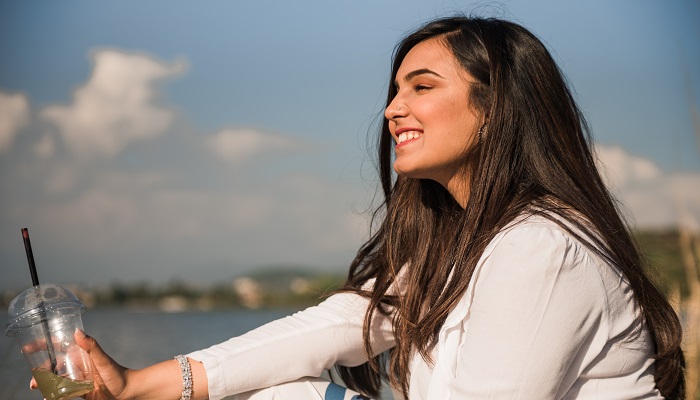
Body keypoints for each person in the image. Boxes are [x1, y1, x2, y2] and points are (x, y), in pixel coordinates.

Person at [33, 15, 686, 399]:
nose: (393, 109)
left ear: (496, 110)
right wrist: (137, 385)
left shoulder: (541, 247)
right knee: (278, 395)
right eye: (395, 89)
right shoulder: (461, 246)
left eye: (422, 86)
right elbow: (341, 325)